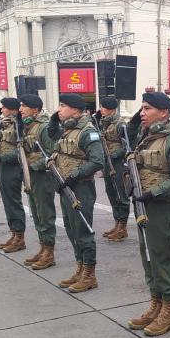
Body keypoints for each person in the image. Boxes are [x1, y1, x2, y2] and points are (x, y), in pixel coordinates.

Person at [126, 91, 170, 337]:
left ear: (164, 112)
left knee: (162, 259)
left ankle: (168, 312)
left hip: (162, 207)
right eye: (141, 108)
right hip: (144, 205)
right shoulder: (148, 136)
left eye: (147, 109)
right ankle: (155, 304)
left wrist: (154, 193)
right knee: (148, 257)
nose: (142, 113)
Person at [47, 93, 105, 293]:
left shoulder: (87, 132)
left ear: (75, 110)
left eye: (63, 106)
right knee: (71, 229)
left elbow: (98, 161)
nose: (59, 109)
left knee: (83, 230)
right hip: (65, 186)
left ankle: (89, 274)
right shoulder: (67, 130)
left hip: (80, 187)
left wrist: (74, 175)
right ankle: (80, 268)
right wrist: (54, 120)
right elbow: (50, 135)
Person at [19, 94, 59, 271]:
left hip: (42, 176)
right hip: (31, 176)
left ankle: (49, 252)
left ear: (35, 109)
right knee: (36, 213)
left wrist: (34, 166)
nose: (20, 109)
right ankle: (43, 248)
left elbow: (52, 154)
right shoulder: (28, 126)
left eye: (24, 106)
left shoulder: (44, 127)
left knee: (45, 214)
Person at [0, 97, 27, 253]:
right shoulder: (3, 123)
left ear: (13, 110)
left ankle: (19, 237)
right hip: (2, 166)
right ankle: (14, 233)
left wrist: (3, 158)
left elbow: (21, 148)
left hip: (12, 167)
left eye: (4, 107)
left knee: (13, 202)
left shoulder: (19, 124)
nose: (2, 110)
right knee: (7, 202)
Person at [99, 96, 136, 242]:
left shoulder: (121, 125)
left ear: (112, 110)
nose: (101, 110)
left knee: (121, 195)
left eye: (104, 108)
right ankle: (117, 223)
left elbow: (130, 144)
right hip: (107, 163)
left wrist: (116, 154)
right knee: (111, 194)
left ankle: (123, 227)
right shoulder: (105, 123)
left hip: (118, 163)